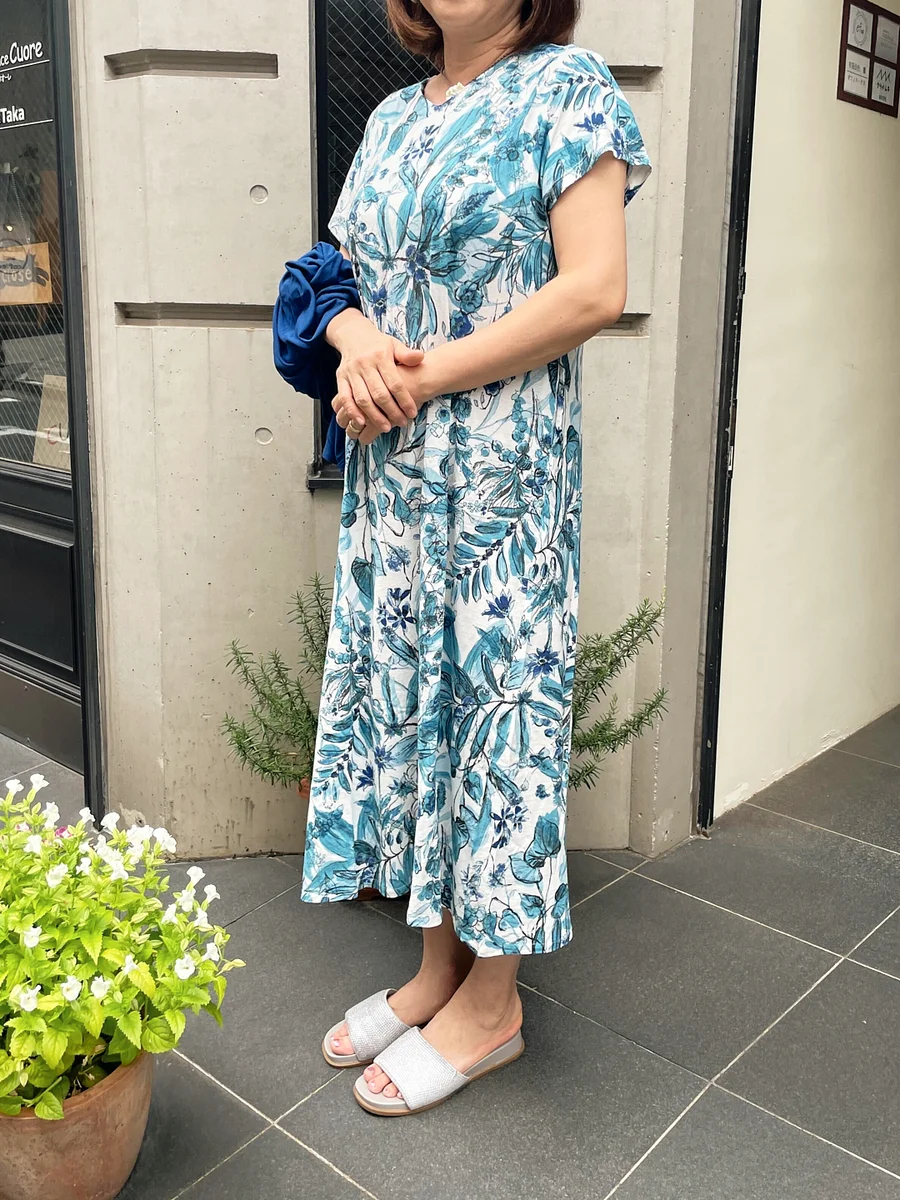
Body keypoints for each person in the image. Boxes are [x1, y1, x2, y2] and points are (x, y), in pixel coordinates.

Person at [301, 0, 650, 1116]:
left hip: (505, 475)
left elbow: (593, 288)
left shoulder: (568, 87)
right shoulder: (391, 117)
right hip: (395, 476)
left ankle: (493, 1002)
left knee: (498, 712)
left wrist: (424, 373)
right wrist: (354, 342)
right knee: (418, 704)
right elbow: (337, 277)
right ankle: (437, 967)